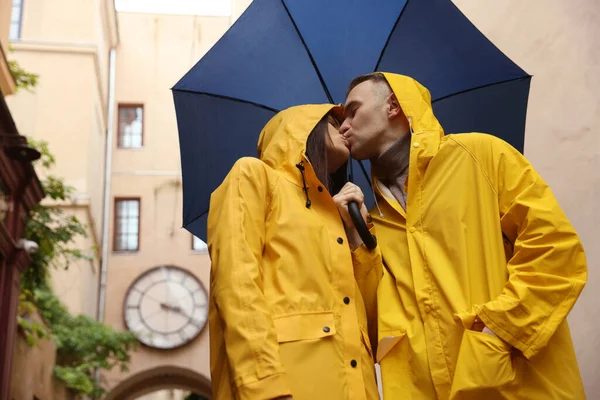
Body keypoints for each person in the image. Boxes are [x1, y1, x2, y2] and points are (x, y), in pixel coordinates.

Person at [340, 72, 587, 399]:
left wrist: (496, 333)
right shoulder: (373, 223)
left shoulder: (481, 155)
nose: (343, 127)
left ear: (393, 106)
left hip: (521, 388)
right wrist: (356, 240)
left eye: (353, 111)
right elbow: (373, 328)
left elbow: (555, 250)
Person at [207, 104, 382, 400]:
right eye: (333, 120)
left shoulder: (337, 218)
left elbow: (374, 324)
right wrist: (265, 386)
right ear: (304, 126)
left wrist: (356, 234)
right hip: (286, 387)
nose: (344, 129)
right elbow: (236, 284)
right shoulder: (254, 176)